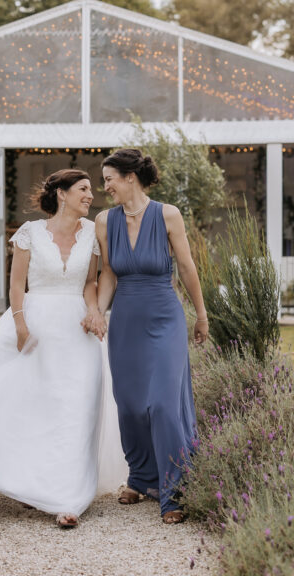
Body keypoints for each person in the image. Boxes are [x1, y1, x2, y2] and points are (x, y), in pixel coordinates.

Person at [0, 169, 126, 528]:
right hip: (35, 325)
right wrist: (21, 326)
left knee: (78, 408)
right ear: (62, 194)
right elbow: (16, 286)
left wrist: (93, 310)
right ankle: (28, 480)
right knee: (34, 407)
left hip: (77, 331)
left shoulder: (92, 235)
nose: (90, 196)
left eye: (90, 190)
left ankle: (69, 498)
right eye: (83, 190)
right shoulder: (30, 234)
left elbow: (89, 283)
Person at [94, 148, 208, 525]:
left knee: (161, 404)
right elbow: (109, 271)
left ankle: (174, 491)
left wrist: (201, 314)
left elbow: (188, 268)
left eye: (109, 178)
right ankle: (141, 477)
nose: (104, 185)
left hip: (164, 317)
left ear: (130, 177)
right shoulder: (104, 220)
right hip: (125, 319)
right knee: (128, 405)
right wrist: (97, 311)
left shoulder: (168, 214)